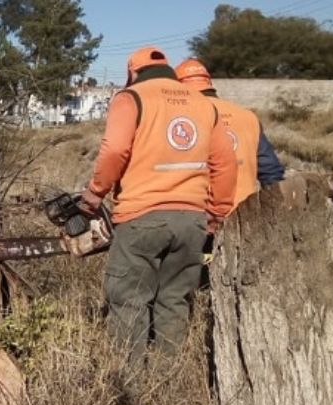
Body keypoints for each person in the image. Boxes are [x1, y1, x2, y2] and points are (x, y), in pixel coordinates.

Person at [80, 47, 238, 367]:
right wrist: (216, 214)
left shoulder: (131, 98)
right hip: (192, 221)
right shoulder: (204, 104)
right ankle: (167, 378)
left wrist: (95, 194)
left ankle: (131, 386)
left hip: (140, 217)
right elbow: (225, 164)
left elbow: (114, 151)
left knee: (129, 301)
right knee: (175, 300)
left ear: (132, 73)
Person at [175, 58, 285, 209]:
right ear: (209, 84)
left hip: (200, 218)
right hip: (244, 216)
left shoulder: (180, 120)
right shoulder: (247, 117)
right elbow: (271, 172)